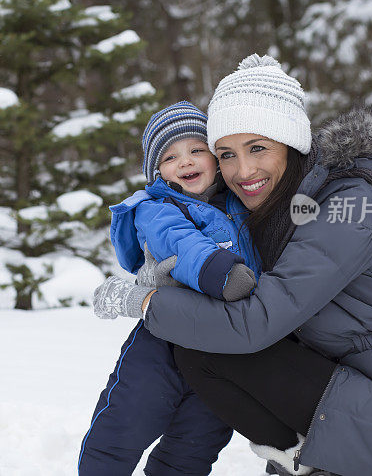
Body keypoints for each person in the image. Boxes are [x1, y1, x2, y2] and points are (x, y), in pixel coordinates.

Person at [93, 54, 372, 476]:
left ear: (292, 143)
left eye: (258, 148)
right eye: (226, 154)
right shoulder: (285, 206)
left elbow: (255, 320)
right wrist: (170, 269)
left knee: (206, 351)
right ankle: (303, 457)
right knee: (203, 343)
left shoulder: (350, 206)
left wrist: (146, 301)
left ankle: (304, 460)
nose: (242, 170)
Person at [79, 101, 261, 475]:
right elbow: (180, 243)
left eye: (197, 150)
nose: (187, 162)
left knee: (197, 440)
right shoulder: (156, 207)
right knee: (125, 423)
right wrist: (218, 272)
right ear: (157, 171)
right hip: (161, 342)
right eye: (171, 156)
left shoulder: (241, 204)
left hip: (222, 348)